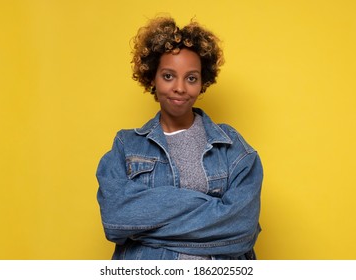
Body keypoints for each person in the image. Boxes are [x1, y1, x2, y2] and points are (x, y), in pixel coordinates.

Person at [96, 16, 263, 260]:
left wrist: (143, 230)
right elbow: (115, 219)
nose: (180, 88)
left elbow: (241, 229)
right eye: (168, 76)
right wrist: (212, 210)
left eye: (191, 78)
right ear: (152, 77)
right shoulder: (126, 145)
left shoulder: (232, 147)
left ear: (203, 82)